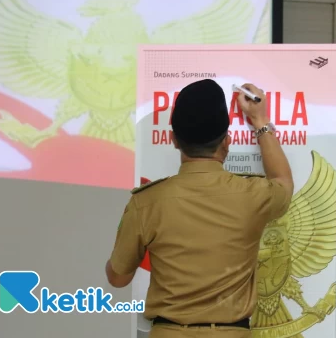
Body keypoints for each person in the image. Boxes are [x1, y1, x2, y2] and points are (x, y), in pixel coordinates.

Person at [104, 79, 294, 338]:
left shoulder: (146, 202)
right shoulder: (253, 195)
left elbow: (118, 278)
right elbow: (283, 182)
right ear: (226, 141)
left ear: (173, 140)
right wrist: (260, 123)